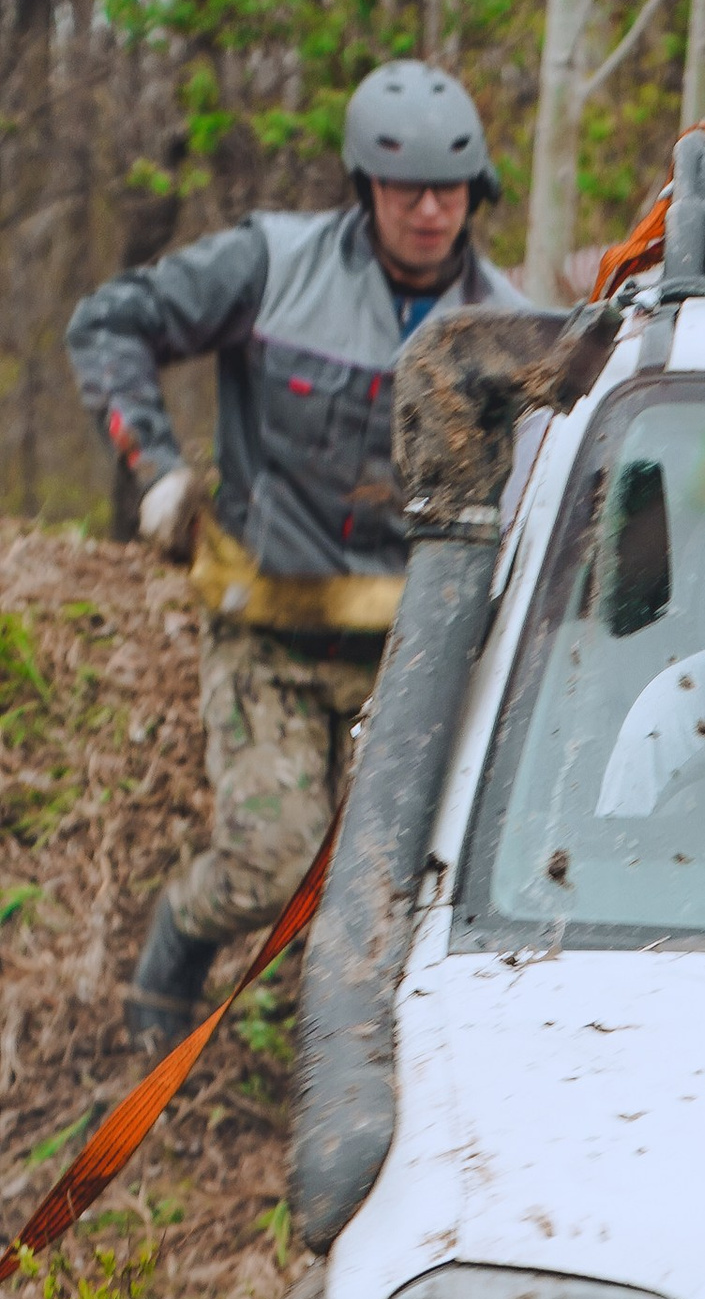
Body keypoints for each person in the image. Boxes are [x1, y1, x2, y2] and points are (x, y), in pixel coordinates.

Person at [67, 63, 526, 1053]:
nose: (430, 212)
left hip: (406, 661)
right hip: (266, 632)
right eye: (406, 190)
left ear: (476, 192)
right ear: (365, 187)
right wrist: (155, 469)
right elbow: (107, 324)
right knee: (274, 864)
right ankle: (177, 941)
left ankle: (341, 1055)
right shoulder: (271, 266)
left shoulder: (506, 327)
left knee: (392, 887)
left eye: (449, 191)